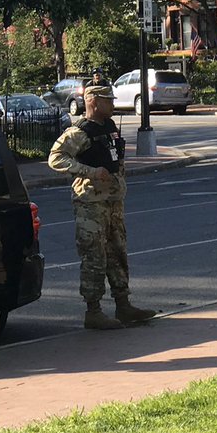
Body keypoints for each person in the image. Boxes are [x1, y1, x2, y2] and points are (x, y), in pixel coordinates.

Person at [47, 86, 158, 330]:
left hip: (113, 202)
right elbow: (56, 158)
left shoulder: (108, 127)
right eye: (108, 101)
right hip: (91, 204)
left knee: (117, 252)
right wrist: (89, 172)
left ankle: (123, 304)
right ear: (94, 103)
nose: (112, 105)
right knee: (94, 256)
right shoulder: (80, 132)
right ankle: (93, 311)